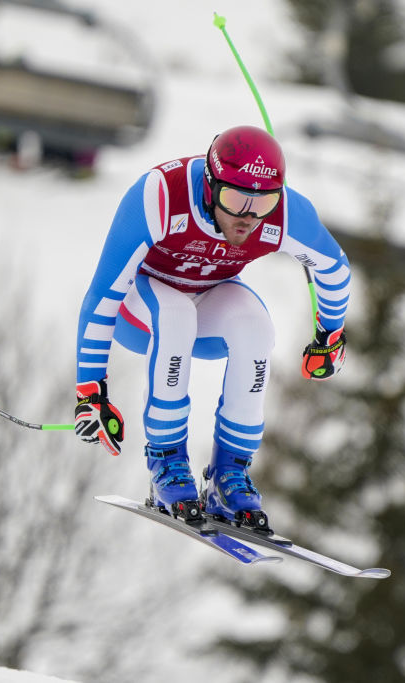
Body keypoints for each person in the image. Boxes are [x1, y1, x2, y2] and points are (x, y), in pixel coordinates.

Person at [74, 125, 350, 528]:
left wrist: (329, 336)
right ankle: (167, 463)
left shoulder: (284, 213)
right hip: (141, 308)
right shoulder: (160, 195)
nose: (249, 217)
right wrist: (91, 390)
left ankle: (229, 476)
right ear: (209, 185)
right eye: (235, 199)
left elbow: (334, 268)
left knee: (255, 327)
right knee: (174, 317)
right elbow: (102, 297)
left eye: (264, 201)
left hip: (207, 299)